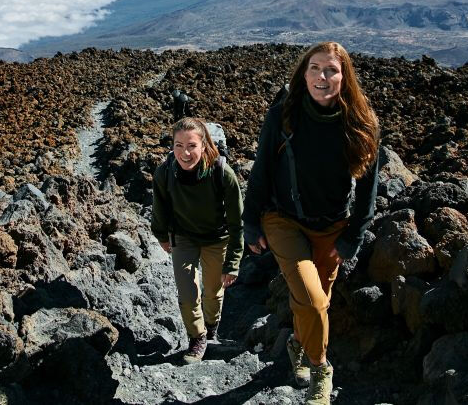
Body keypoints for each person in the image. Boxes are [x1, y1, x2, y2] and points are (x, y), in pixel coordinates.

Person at [243, 42, 380, 405]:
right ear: (303, 74)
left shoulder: (362, 123)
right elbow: (261, 172)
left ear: (344, 76)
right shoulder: (283, 116)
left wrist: (353, 236)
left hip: (333, 227)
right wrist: (250, 222)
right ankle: (322, 370)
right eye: (315, 68)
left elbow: (368, 188)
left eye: (331, 70)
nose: (322, 76)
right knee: (314, 300)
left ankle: (296, 344)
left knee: (314, 302)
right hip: (283, 220)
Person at [151, 117, 244, 364]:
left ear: (204, 145)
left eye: (192, 145)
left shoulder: (222, 173)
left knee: (213, 292)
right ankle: (197, 337)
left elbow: (238, 222)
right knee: (187, 292)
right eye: (178, 145)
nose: (185, 152)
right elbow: (159, 207)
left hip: (217, 238)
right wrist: (161, 236)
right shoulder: (165, 172)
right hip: (183, 237)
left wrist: (233, 261)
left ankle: (211, 327)